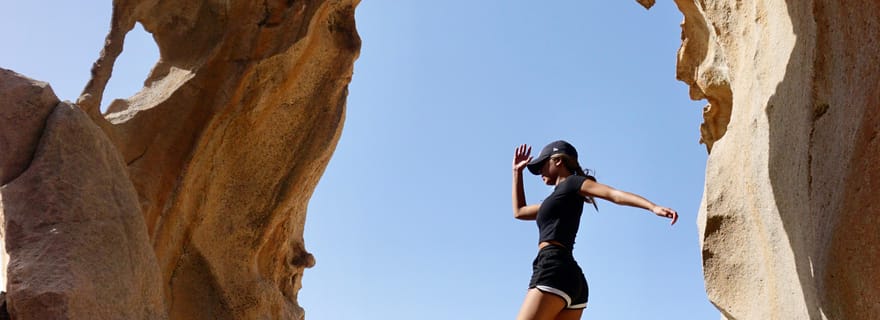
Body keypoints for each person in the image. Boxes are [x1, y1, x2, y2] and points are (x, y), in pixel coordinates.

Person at [512, 140, 678, 320]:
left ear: (557, 161)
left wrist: (652, 207)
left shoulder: (573, 183)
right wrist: (516, 173)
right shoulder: (554, 199)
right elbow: (519, 212)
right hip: (573, 279)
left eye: (542, 165)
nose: (539, 172)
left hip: (553, 268)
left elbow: (613, 194)